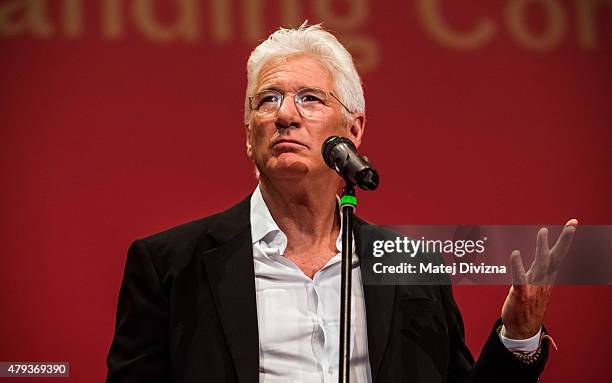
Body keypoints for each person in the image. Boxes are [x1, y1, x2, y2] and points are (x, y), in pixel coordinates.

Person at [105, 23, 578, 383]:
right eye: (267, 100)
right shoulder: (171, 266)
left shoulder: (413, 268)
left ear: (353, 131)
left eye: (309, 98)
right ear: (248, 135)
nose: (285, 114)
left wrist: (517, 336)